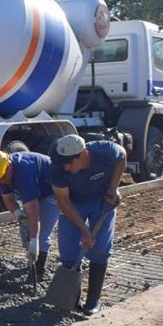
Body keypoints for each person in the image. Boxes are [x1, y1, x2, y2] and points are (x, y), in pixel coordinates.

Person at [50, 134, 127, 315]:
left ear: (83, 154)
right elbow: (63, 202)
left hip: (100, 201)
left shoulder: (104, 151)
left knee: (100, 248)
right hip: (72, 203)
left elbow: (122, 156)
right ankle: (72, 299)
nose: (66, 167)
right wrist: (84, 230)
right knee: (68, 248)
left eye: (70, 163)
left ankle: (93, 301)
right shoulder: (58, 167)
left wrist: (113, 187)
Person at [0, 148, 58, 278]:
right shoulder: (1, 171)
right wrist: (17, 212)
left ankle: (38, 273)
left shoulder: (24, 171)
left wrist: (34, 241)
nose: (2, 181)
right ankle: (32, 263)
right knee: (29, 230)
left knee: (42, 234)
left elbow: (34, 212)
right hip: (36, 188)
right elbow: (8, 199)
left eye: (3, 177)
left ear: (9, 165)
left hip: (52, 189)